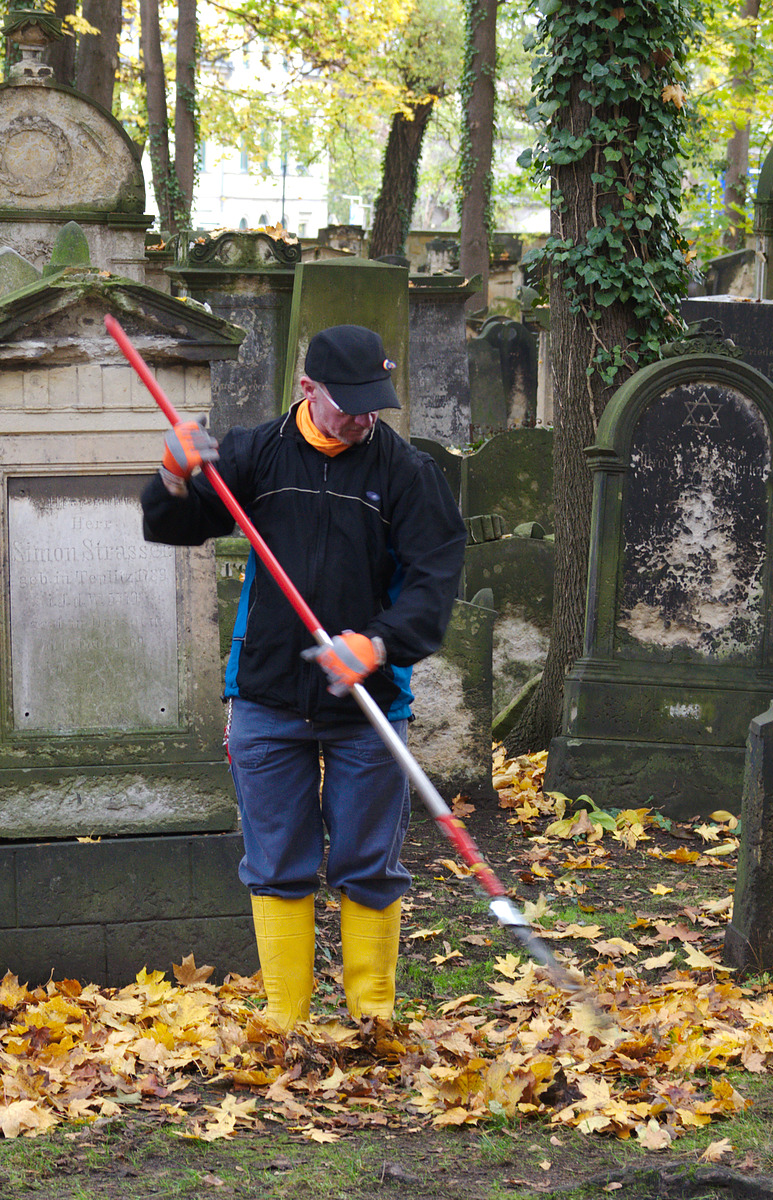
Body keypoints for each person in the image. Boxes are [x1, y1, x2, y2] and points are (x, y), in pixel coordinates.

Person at [141, 324, 466, 1025]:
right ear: (307, 388)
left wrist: (377, 645)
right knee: (277, 862)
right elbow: (178, 525)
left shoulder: (408, 474)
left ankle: (372, 1020)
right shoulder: (255, 453)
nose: (364, 417)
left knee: (368, 863)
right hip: (266, 694)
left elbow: (434, 586)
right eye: (348, 403)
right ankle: (285, 1024)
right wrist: (171, 476)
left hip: (370, 703)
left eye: (374, 402)